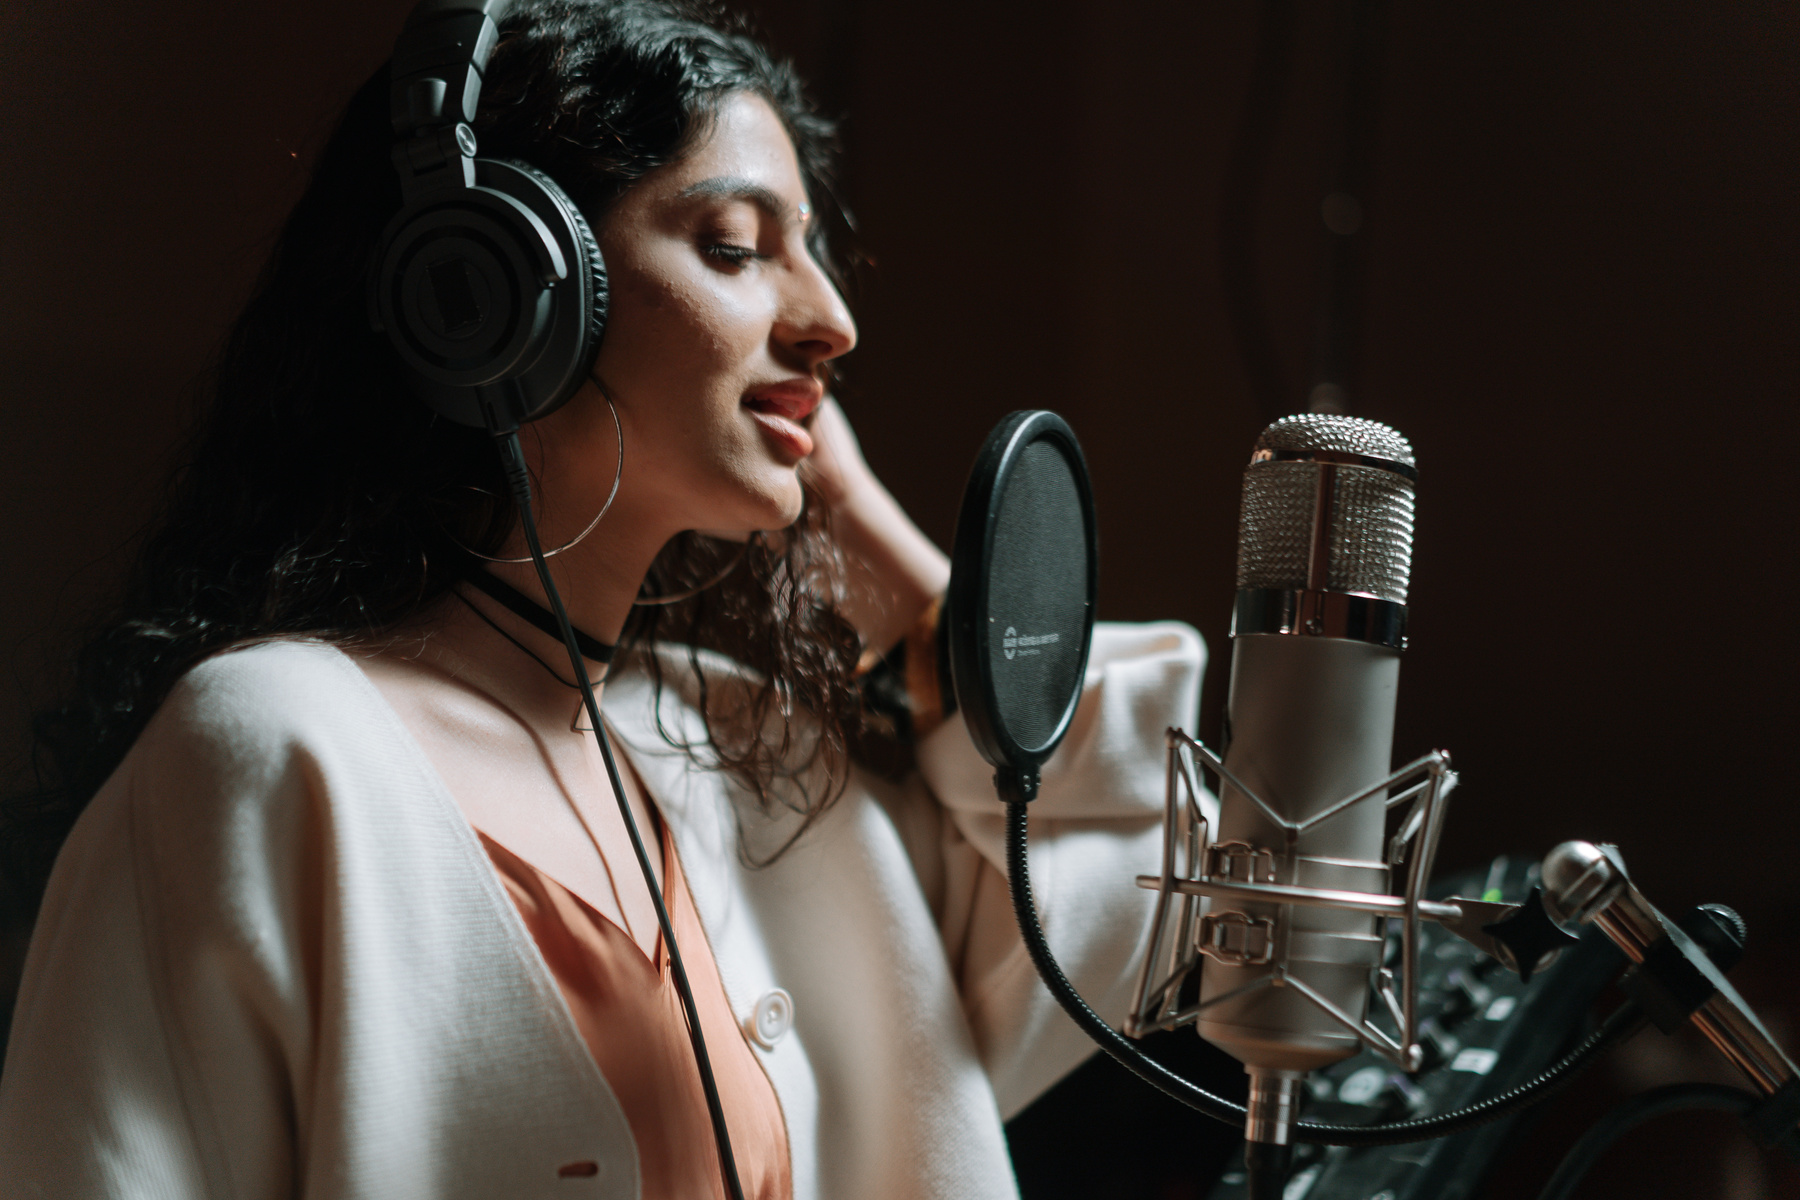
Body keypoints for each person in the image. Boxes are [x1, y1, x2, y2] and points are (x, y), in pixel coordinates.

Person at [0, 2, 1207, 1197]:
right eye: (735, 246)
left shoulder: (750, 757)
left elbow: (1156, 867)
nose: (834, 322)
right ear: (496, 296)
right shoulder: (276, 751)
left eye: (813, 253)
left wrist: (874, 553)